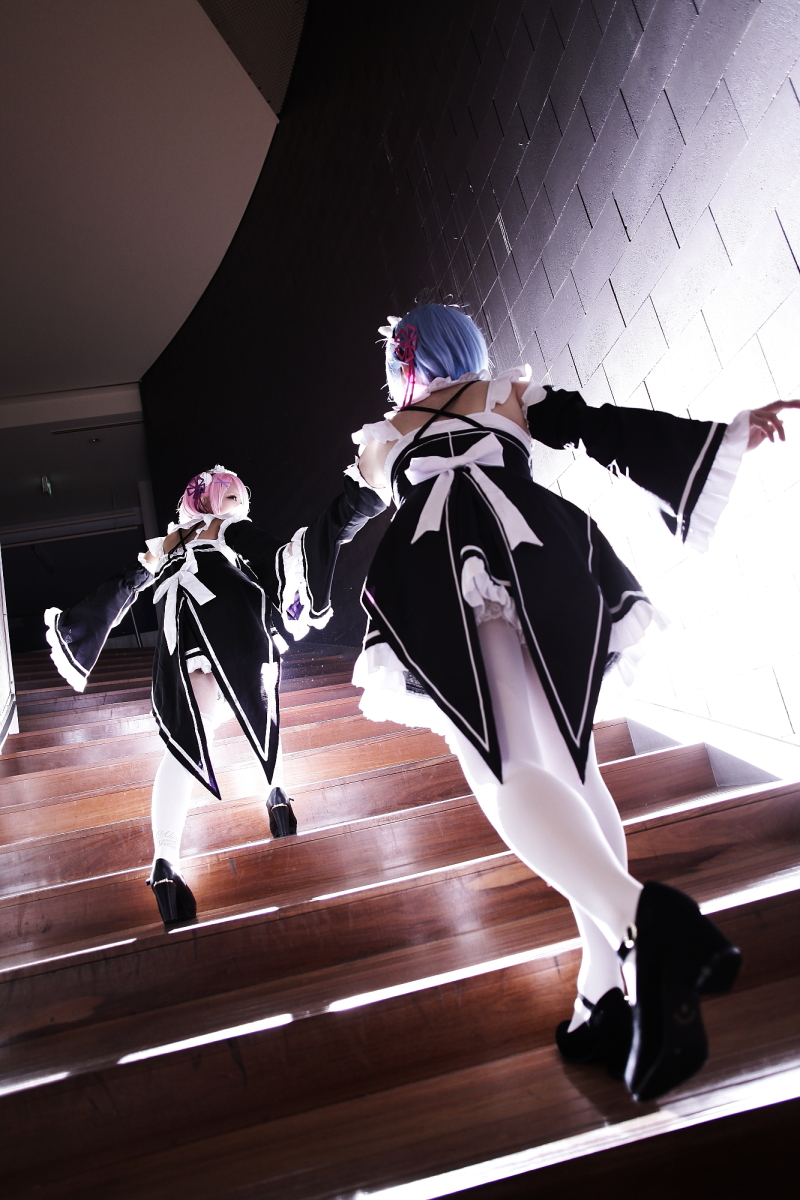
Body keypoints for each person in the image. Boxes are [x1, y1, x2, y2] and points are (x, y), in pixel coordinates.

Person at [350, 302, 799, 1102]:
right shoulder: (506, 395)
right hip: (543, 560)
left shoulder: (383, 438)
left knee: (503, 766)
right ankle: (602, 997)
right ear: (466, 346)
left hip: (442, 575)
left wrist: (290, 591)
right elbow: (604, 430)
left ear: (402, 366)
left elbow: (338, 524)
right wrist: (722, 439)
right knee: (573, 765)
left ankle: (644, 924)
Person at [45, 465, 385, 927]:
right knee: (258, 701)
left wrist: (86, 626)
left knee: (191, 737)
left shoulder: (171, 542)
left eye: (238, 497)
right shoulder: (224, 528)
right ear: (211, 502)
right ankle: (276, 795)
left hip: (183, 640)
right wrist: (347, 513)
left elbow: (127, 585)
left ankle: (166, 861)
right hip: (228, 625)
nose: (238, 504)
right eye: (231, 496)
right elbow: (283, 556)